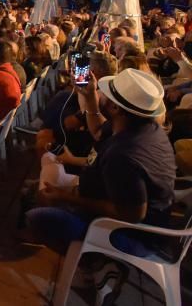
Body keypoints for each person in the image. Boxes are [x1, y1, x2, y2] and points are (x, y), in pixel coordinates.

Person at [26, 69, 174, 303]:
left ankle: (96, 263)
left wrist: (66, 198)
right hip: (106, 195)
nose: (102, 95)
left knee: (38, 218)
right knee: (48, 168)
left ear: (116, 109)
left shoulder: (125, 156)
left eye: (107, 95)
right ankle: (97, 262)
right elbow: (98, 131)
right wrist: (93, 99)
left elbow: (130, 214)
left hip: (131, 233)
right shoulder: (140, 128)